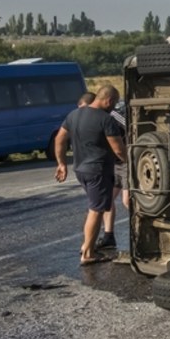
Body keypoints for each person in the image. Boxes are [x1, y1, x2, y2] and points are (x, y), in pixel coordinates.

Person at [54, 86, 126, 265]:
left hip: (80, 169)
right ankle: (87, 253)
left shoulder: (73, 115)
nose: (114, 106)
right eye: (114, 103)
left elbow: (59, 139)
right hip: (98, 170)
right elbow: (118, 149)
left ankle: (89, 248)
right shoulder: (105, 119)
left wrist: (62, 163)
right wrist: (132, 162)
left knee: (96, 207)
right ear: (108, 100)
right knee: (96, 211)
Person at [95, 99, 129, 252]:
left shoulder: (114, 115)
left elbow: (130, 128)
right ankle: (109, 236)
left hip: (127, 159)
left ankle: (144, 232)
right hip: (113, 163)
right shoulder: (95, 118)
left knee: (128, 201)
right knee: (107, 198)